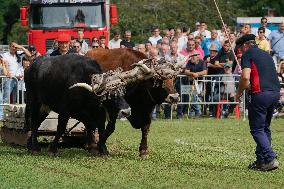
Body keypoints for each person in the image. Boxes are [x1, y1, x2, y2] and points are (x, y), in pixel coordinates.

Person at [236, 34, 280, 171]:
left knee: (257, 129)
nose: (240, 51)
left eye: (240, 48)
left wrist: (238, 93)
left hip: (260, 94)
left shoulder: (247, 54)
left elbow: (245, 77)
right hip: (275, 93)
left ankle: (270, 158)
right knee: (265, 128)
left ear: (245, 45)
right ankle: (261, 161)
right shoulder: (266, 54)